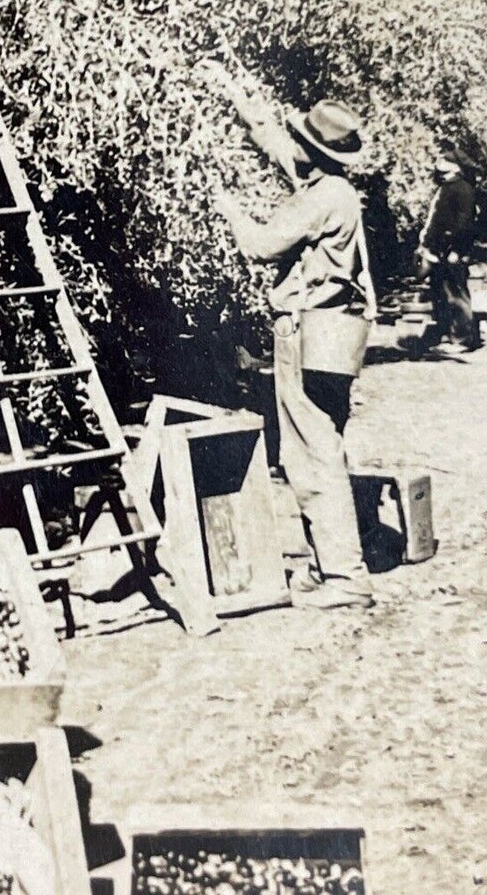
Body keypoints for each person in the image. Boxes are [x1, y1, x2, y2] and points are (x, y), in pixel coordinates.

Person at [206, 67, 376, 612]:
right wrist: (239, 98)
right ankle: (331, 568)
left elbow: (259, 244)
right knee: (319, 446)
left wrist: (227, 208)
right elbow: (280, 148)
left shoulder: (322, 197)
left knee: (311, 453)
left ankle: (347, 579)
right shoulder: (336, 189)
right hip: (332, 335)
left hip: (308, 333)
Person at [418, 141, 483, 352]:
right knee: (442, 293)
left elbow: (464, 224)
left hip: (452, 250)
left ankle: (463, 339)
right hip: (440, 251)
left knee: (456, 293)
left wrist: (457, 249)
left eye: (445, 160)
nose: (439, 162)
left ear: (455, 166)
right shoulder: (446, 187)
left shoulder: (462, 189)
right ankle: (448, 334)